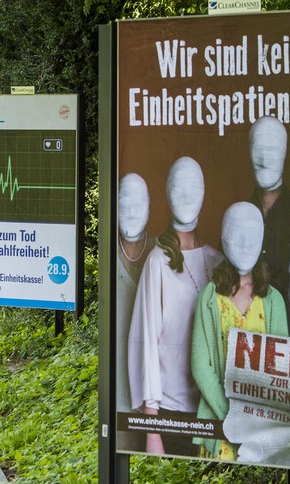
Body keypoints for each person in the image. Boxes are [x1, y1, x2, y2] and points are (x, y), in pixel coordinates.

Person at [128, 156, 223, 456]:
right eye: (178, 187)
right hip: (171, 412)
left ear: (205, 192)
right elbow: (146, 345)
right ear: (167, 195)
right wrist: (152, 430)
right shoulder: (158, 262)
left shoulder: (217, 261)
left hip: (210, 410)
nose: (186, 195)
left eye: (193, 187)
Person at [190, 202, 289, 461]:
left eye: (253, 233)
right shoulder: (209, 297)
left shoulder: (274, 301)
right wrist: (231, 416)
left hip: (261, 433)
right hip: (219, 426)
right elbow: (200, 365)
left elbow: (282, 369)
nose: (245, 243)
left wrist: (257, 421)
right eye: (238, 233)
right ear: (224, 237)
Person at [247, 116, 290, 336]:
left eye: (273, 149)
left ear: (284, 152)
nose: (265, 158)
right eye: (259, 148)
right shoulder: (241, 214)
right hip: (246, 345)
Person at [116, 173, 152, 452]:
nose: (130, 210)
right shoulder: (109, 253)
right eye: (123, 202)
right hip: (119, 394)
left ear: (150, 206)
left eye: (138, 202)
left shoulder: (163, 253)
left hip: (158, 395)